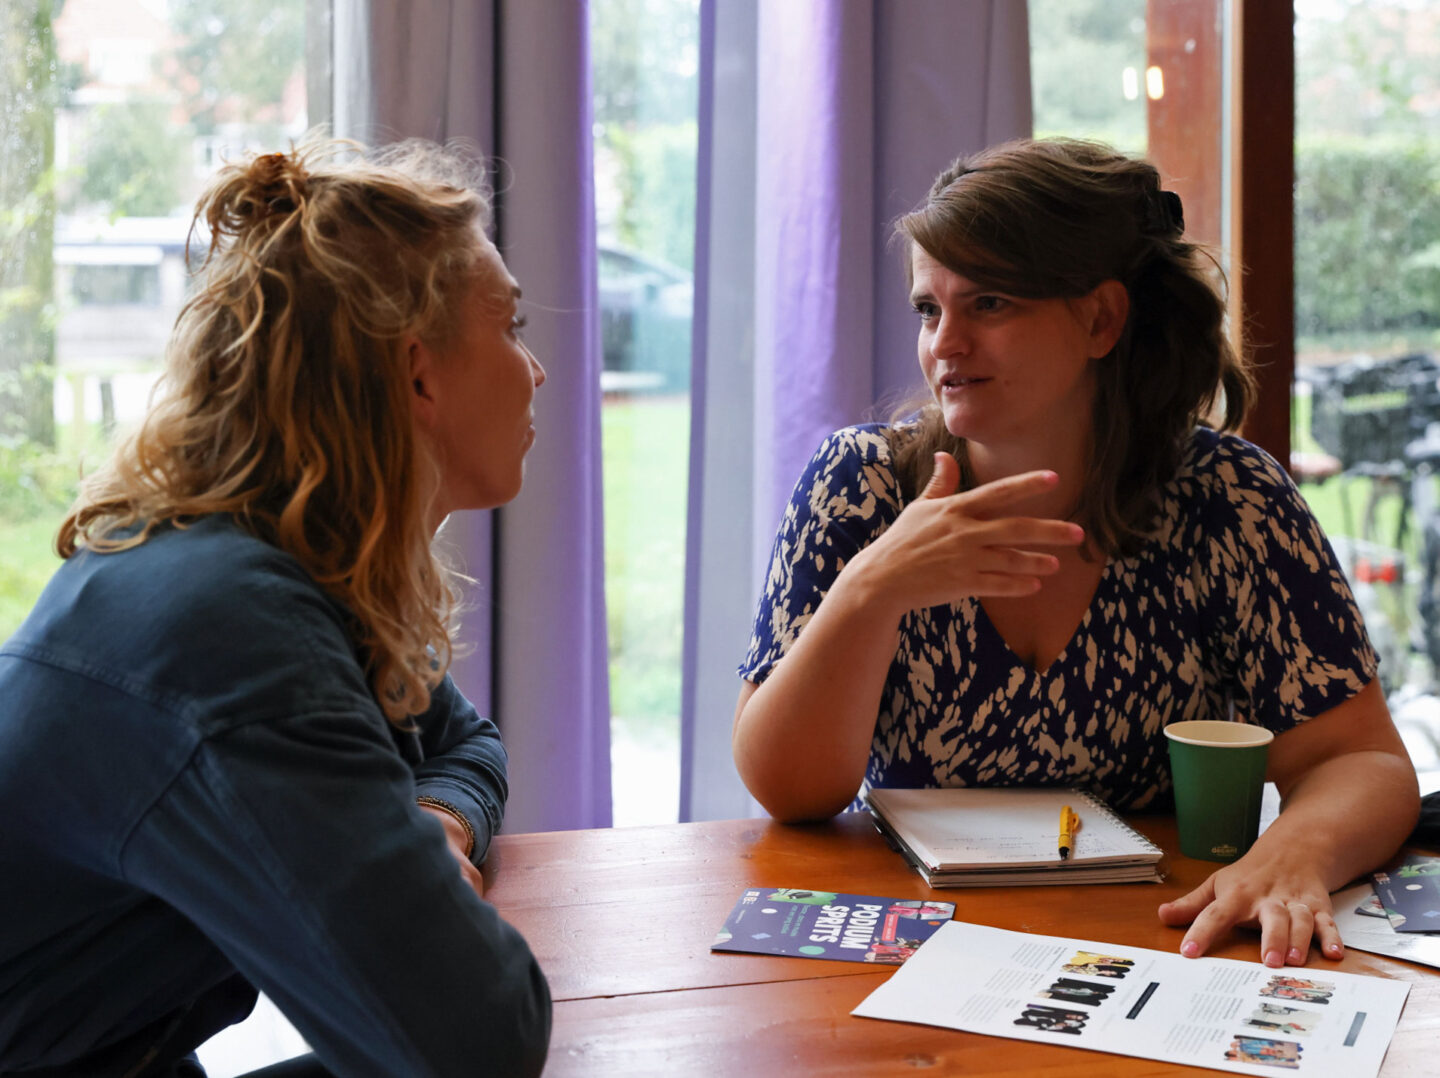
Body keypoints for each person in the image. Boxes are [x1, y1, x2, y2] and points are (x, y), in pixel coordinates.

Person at [731, 137, 1420, 968]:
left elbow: (1363, 761)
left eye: (987, 304)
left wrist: (1294, 853)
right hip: (915, 954)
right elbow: (790, 792)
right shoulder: (864, 486)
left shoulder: (1227, 500)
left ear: (1100, 319)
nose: (944, 343)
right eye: (928, 308)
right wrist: (874, 587)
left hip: (1163, 946)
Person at [0, 137, 551, 1076]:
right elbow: (477, 1045)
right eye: (511, 326)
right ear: (418, 373)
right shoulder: (234, 636)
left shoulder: (262, 569)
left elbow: (463, 742)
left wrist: (439, 822)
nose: (535, 371)